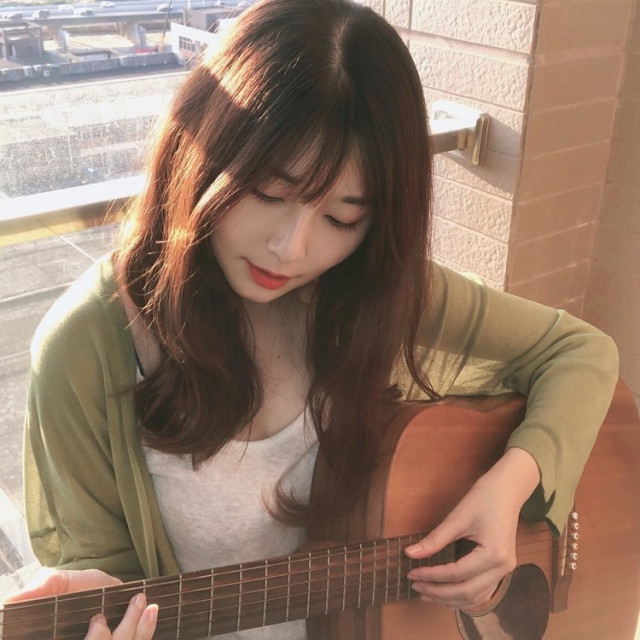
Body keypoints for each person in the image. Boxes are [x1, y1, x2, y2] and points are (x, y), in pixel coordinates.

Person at [4, 0, 619, 637]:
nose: (292, 249)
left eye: (341, 218)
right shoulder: (85, 347)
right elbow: (102, 586)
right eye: (268, 192)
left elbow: (581, 353)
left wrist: (509, 487)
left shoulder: (369, 291)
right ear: (202, 152)